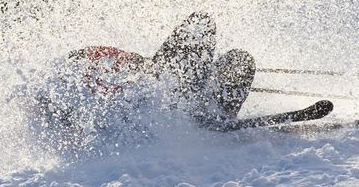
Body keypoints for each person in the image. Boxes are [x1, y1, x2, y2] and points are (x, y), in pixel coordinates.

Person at [66, 12, 256, 127]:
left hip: (168, 84)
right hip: (167, 102)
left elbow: (137, 64)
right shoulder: (79, 87)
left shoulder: (96, 60)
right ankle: (207, 112)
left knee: (240, 60)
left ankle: (218, 110)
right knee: (200, 23)